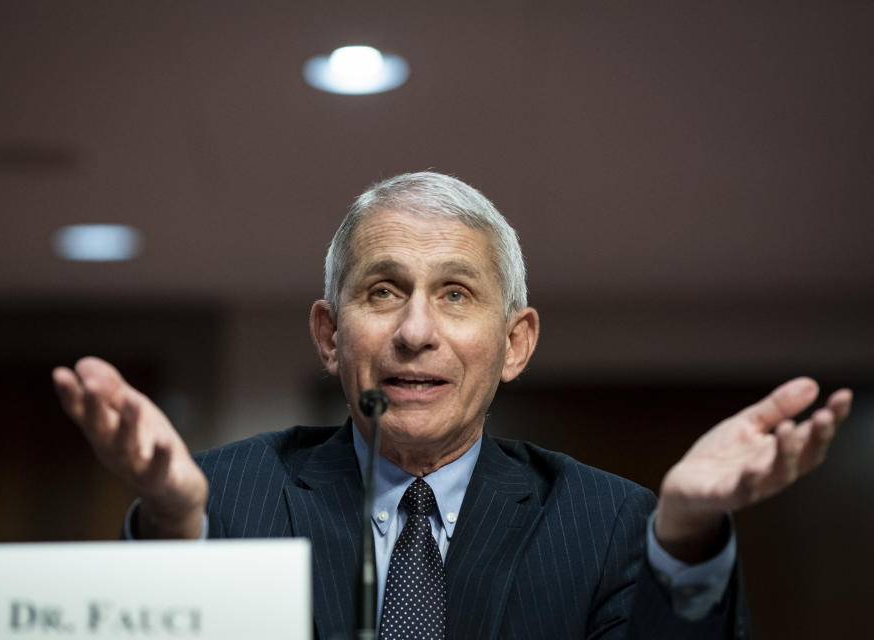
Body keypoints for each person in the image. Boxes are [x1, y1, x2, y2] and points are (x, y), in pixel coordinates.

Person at [53, 172, 852, 639]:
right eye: (383, 291)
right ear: (330, 335)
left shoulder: (610, 525)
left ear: (516, 342)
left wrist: (682, 538)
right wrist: (170, 526)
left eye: (456, 294)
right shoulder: (224, 497)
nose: (415, 331)